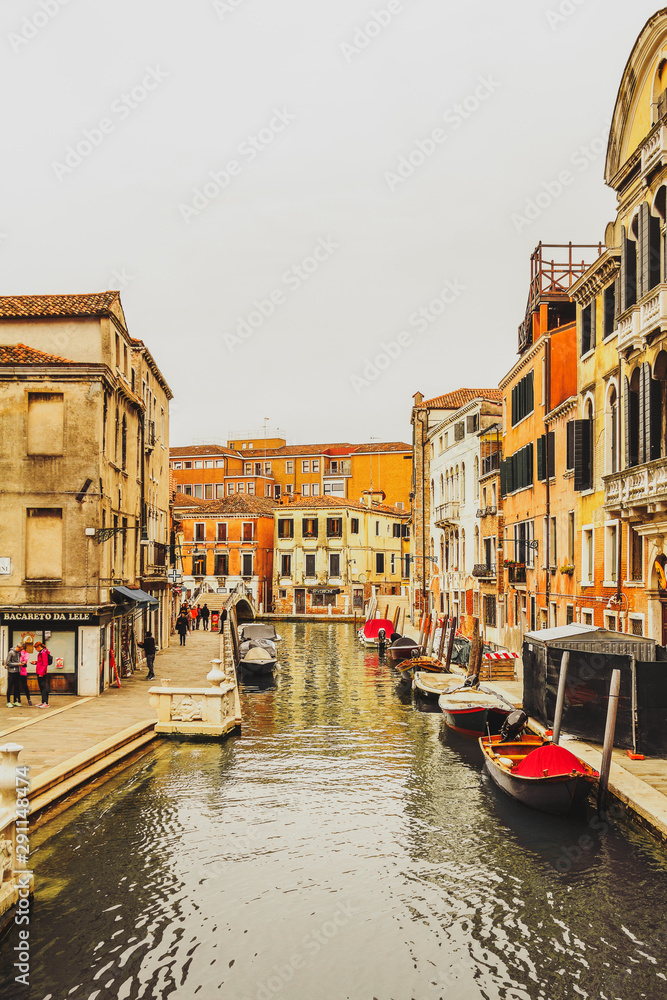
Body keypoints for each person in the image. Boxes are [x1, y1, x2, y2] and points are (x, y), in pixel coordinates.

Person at [32, 641, 50, 708]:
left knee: (43, 688)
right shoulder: (41, 653)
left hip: (41, 673)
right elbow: (41, 662)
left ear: (39, 647)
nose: (35, 649)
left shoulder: (43, 653)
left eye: (36, 648)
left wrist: (41, 673)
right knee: (41, 688)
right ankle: (43, 702)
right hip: (40, 672)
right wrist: (35, 662)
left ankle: (46, 703)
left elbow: (45, 664)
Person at [5, 643, 22, 707]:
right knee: (10, 687)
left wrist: (21, 663)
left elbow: (18, 661)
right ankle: (8, 702)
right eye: (21, 649)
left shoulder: (18, 653)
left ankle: (15, 701)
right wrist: (18, 664)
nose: (21, 651)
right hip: (11, 672)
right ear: (18, 647)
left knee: (16, 687)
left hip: (17, 671)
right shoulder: (11, 652)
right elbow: (8, 663)